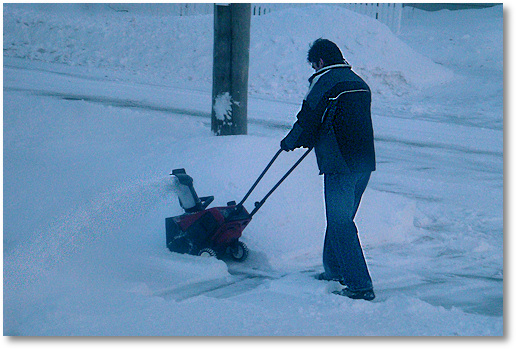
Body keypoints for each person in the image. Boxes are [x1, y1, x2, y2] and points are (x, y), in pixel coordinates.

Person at [280, 38, 376, 301]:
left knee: (340, 222)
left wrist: (291, 141)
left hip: (340, 164)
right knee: (340, 219)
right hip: (364, 163)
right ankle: (334, 271)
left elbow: (309, 117)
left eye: (313, 63)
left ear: (320, 61)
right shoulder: (359, 83)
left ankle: (360, 285)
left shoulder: (325, 82)